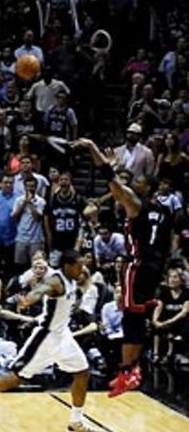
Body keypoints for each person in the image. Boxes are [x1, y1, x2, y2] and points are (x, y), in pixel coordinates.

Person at [0, 251, 103, 432]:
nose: (82, 270)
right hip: (46, 338)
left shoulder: (72, 279)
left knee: (82, 373)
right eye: (79, 266)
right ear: (68, 266)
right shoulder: (56, 281)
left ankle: (76, 420)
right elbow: (40, 290)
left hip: (63, 336)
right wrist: (28, 300)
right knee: (17, 377)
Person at [73, 138, 175, 397]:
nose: (134, 183)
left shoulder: (136, 204)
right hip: (155, 269)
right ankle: (132, 370)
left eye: (139, 182)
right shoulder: (165, 211)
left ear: (147, 189)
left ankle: (128, 371)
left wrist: (94, 150)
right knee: (138, 320)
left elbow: (113, 184)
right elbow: (170, 244)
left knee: (130, 317)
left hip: (138, 266)